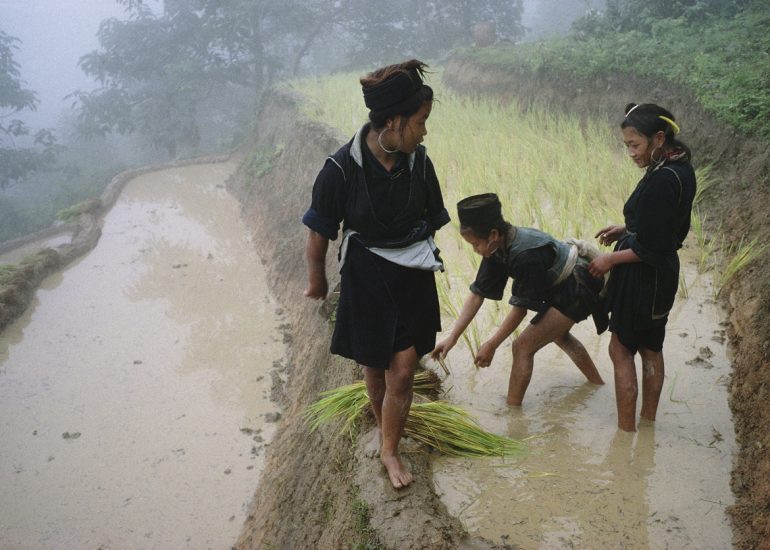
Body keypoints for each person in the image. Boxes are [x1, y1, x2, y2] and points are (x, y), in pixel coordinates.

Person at [302, 60, 450, 489]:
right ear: (393, 122)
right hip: (367, 274)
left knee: (403, 368)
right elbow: (319, 232)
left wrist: (410, 244)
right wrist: (318, 281)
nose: (424, 132)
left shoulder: (419, 164)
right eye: (420, 123)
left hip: (411, 275)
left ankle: (389, 449)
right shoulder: (341, 169)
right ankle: (382, 418)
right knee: (374, 360)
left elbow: (433, 218)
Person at [430, 193, 605, 406]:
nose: (475, 251)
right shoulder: (495, 248)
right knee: (558, 335)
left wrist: (492, 344)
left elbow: (519, 310)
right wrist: (452, 338)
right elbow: (477, 295)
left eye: (475, 244)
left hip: (578, 285)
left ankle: (513, 413)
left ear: (493, 234)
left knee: (522, 347)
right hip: (560, 284)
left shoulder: (525, 255)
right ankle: (597, 385)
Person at [588, 103, 696, 432]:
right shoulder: (679, 167)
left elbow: (650, 247)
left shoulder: (662, 179)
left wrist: (610, 258)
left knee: (620, 348)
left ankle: (626, 434)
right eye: (627, 146)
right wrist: (627, 230)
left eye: (635, 145)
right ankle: (647, 425)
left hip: (642, 278)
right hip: (663, 277)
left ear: (658, 138)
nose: (631, 153)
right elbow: (661, 229)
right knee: (652, 347)